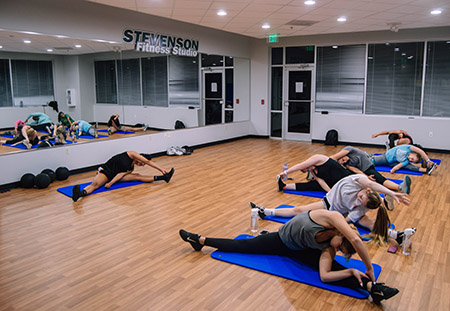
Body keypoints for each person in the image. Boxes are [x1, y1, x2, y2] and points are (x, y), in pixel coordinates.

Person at [180, 209, 400, 305]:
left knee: (333, 267)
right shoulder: (332, 218)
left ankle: (374, 289)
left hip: (302, 250)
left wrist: (352, 270)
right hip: (281, 241)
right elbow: (357, 241)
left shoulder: (328, 248)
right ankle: (199, 240)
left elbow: (324, 276)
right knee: (243, 245)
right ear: (342, 237)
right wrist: (368, 267)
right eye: (341, 249)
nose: (338, 251)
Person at [253, 174, 413, 246]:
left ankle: (396, 235)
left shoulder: (363, 205)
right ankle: (265, 212)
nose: (359, 200)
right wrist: (392, 193)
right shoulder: (358, 181)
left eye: (361, 202)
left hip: (336, 214)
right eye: (361, 197)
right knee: (298, 210)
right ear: (367, 191)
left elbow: (347, 220)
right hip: (327, 204)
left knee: (368, 222)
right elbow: (371, 184)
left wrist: (339, 225)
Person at [72, 151, 175, 201]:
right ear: (140, 157)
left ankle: (164, 178)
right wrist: (161, 169)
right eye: (141, 162)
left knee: (138, 176)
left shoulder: (131, 168)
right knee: (95, 185)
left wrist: (111, 183)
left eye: (142, 165)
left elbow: (120, 174)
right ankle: (80, 193)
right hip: (106, 171)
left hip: (114, 176)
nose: (141, 164)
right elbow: (147, 161)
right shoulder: (131, 154)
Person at [330, 146, 411, 195]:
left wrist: (324, 162)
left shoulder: (348, 149)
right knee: (378, 181)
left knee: (380, 179)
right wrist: (366, 177)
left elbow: (333, 157)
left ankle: (400, 188)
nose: (345, 161)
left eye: (343, 159)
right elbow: (356, 170)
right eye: (343, 162)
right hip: (364, 171)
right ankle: (399, 188)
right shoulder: (347, 164)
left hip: (368, 167)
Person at [277, 154, 353, 193]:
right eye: (307, 171)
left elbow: (299, 166)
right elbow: (321, 181)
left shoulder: (317, 158)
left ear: (306, 164)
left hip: (346, 178)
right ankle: (284, 186)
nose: (309, 170)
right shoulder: (313, 171)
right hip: (335, 183)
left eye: (307, 168)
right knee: (313, 184)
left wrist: (285, 172)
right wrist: (330, 192)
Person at [370, 145, 438, 175]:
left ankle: (427, 170)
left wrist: (393, 170)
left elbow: (399, 165)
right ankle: (368, 156)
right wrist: (427, 160)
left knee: (409, 166)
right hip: (385, 157)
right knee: (371, 161)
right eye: (412, 158)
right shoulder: (408, 148)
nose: (410, 159)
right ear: (413, 153)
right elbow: (421, 151)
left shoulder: (406, 161)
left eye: (412, 160)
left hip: (391, 163)